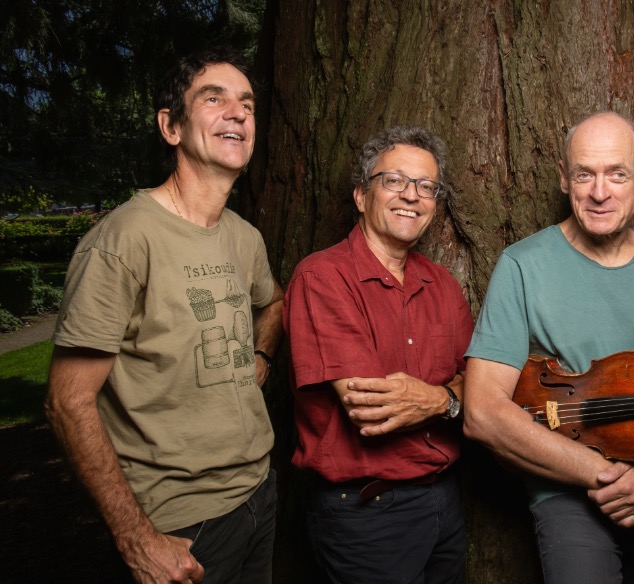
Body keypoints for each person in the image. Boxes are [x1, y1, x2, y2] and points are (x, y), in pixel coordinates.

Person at [44, 48, 284, 584]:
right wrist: (136, 537)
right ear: (170, 127)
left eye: (247, 104)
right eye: (213, 99)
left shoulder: (244, 237)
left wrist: (261, 355)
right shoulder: (123, 240)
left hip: (257, 494)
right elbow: (66, 402)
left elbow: (274, 301)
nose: (238, 113)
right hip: (180, 522)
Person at [463, 111, 634, 583]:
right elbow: (482, 412)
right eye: (584, 174)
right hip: (570, 493)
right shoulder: (522, 266)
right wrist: (606, 477)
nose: (599, 192)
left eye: (617, 174)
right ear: (563, 177)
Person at [284, 125, 473, 584]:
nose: (411, 195)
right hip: (368, 515)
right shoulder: (321, 278)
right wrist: (454, 398)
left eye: (426, 186)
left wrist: (437, 399)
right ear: (360, 195)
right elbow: (372, 408)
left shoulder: (443, 284)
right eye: (394, 180)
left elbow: (485, 387)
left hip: (445, 502)